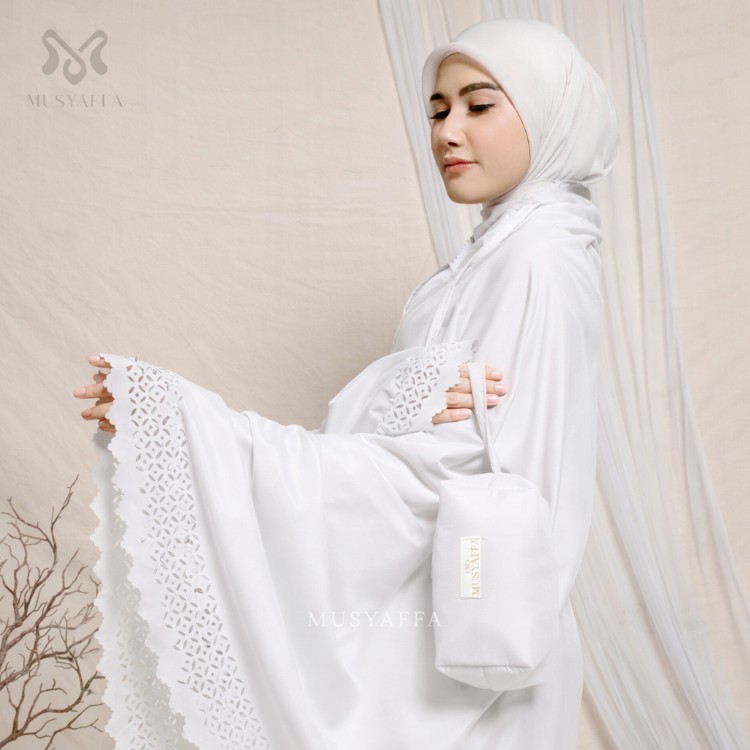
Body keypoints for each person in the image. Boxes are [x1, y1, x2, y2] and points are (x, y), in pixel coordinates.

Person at [73, 17, 617, 750]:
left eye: (480, 104)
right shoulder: (492, 255)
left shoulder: (538, 260)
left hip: (478, 634)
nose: (448, 132)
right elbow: (445, 437)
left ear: (551, 114)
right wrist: (407, 394)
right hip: (451, 628)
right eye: (437, 110)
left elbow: (485, 473)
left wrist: (196, 431)